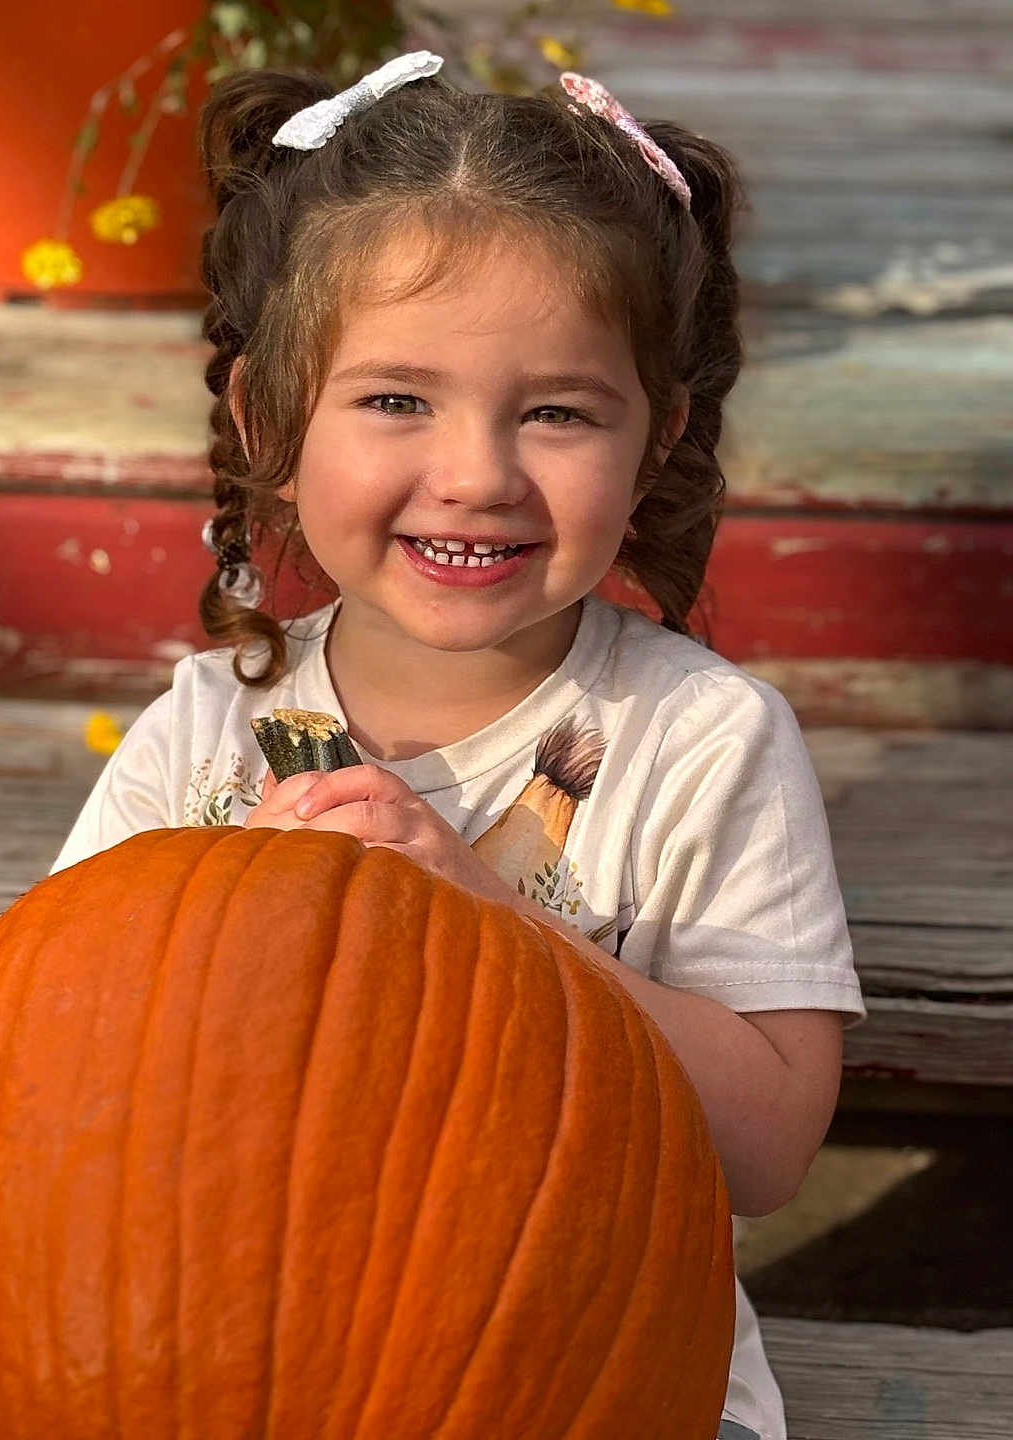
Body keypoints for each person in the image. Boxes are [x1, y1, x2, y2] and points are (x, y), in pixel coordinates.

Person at [51, 52, 865, 1439]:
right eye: (394, 400)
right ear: (270, 423)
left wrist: (486, 922)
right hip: (228, 1361)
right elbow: (49, 1054)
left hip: (599, 1373)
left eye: (557, 410)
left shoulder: (699, 740)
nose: (480, 471)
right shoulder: (205, 737)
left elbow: (774, 1145)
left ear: (657, 437)